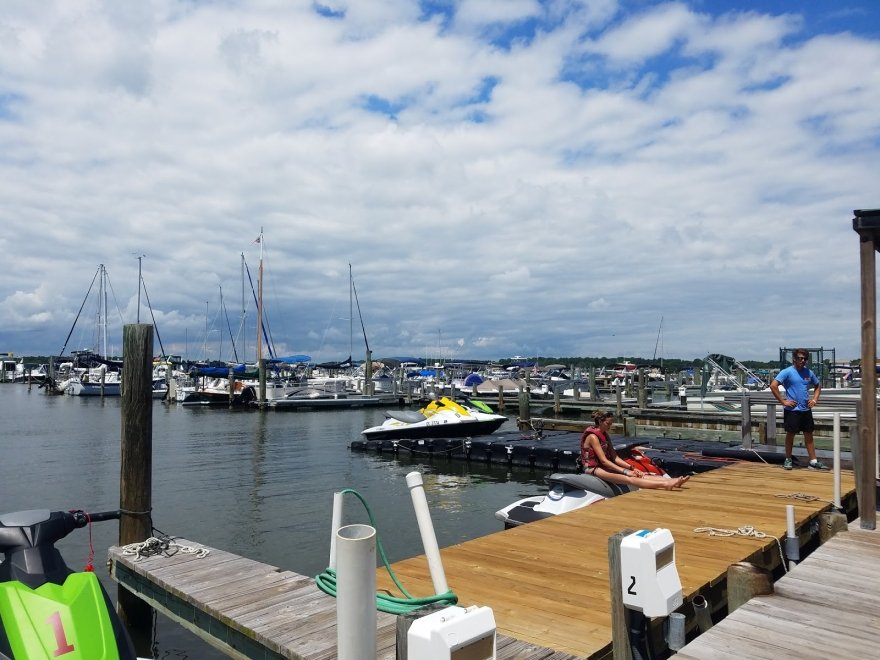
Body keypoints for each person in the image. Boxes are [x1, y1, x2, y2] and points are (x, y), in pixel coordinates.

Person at [580, 410, 689, 489]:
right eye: (608, 424)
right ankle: (665, 485)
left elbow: (615, 457)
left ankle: (671, 481)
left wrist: (632, 468)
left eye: (611, 424)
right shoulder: (593, 437)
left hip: (603, 466)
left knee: (640, 474)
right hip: (593, 468)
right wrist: (626, 472)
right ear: (600, 422)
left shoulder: (605, 435)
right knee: (630, 479)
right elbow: (604, 461)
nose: (610, 426)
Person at [770, 349, 827, 470]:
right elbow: (773, 385)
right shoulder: (787, 372)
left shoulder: (808, 372)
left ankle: (813, 461)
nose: (802, 360)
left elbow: (818, 385)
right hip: (792, 410)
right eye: (800, 358)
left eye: (805, 358)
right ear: (794, 359)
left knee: (809, 434)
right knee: (790, 435)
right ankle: (788, 459)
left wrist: (814, 400)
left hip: (806, 409)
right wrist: (783, 401)